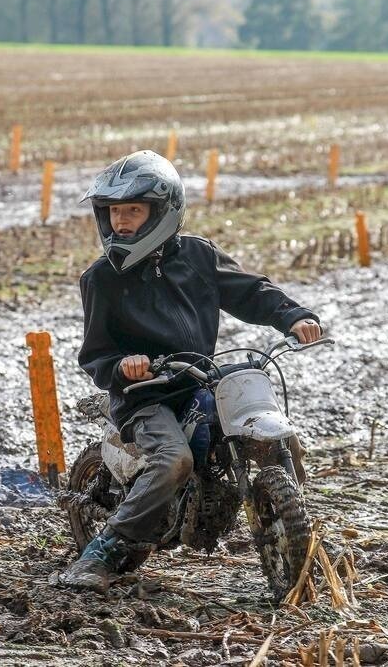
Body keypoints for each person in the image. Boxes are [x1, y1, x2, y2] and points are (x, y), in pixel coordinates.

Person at [60, 150, 321, 593]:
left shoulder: (199, 255)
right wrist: (124, 367)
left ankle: (299, 529)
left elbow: (251, 292)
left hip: (200, 378)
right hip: (145, 395)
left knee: (276, 430)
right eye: (113, 212)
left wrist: (293, 317)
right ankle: (105, 549)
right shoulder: (101, 279)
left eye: (133, 211)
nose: (120, 222)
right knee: (174, 459)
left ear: (162, 212)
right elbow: (96, 355)